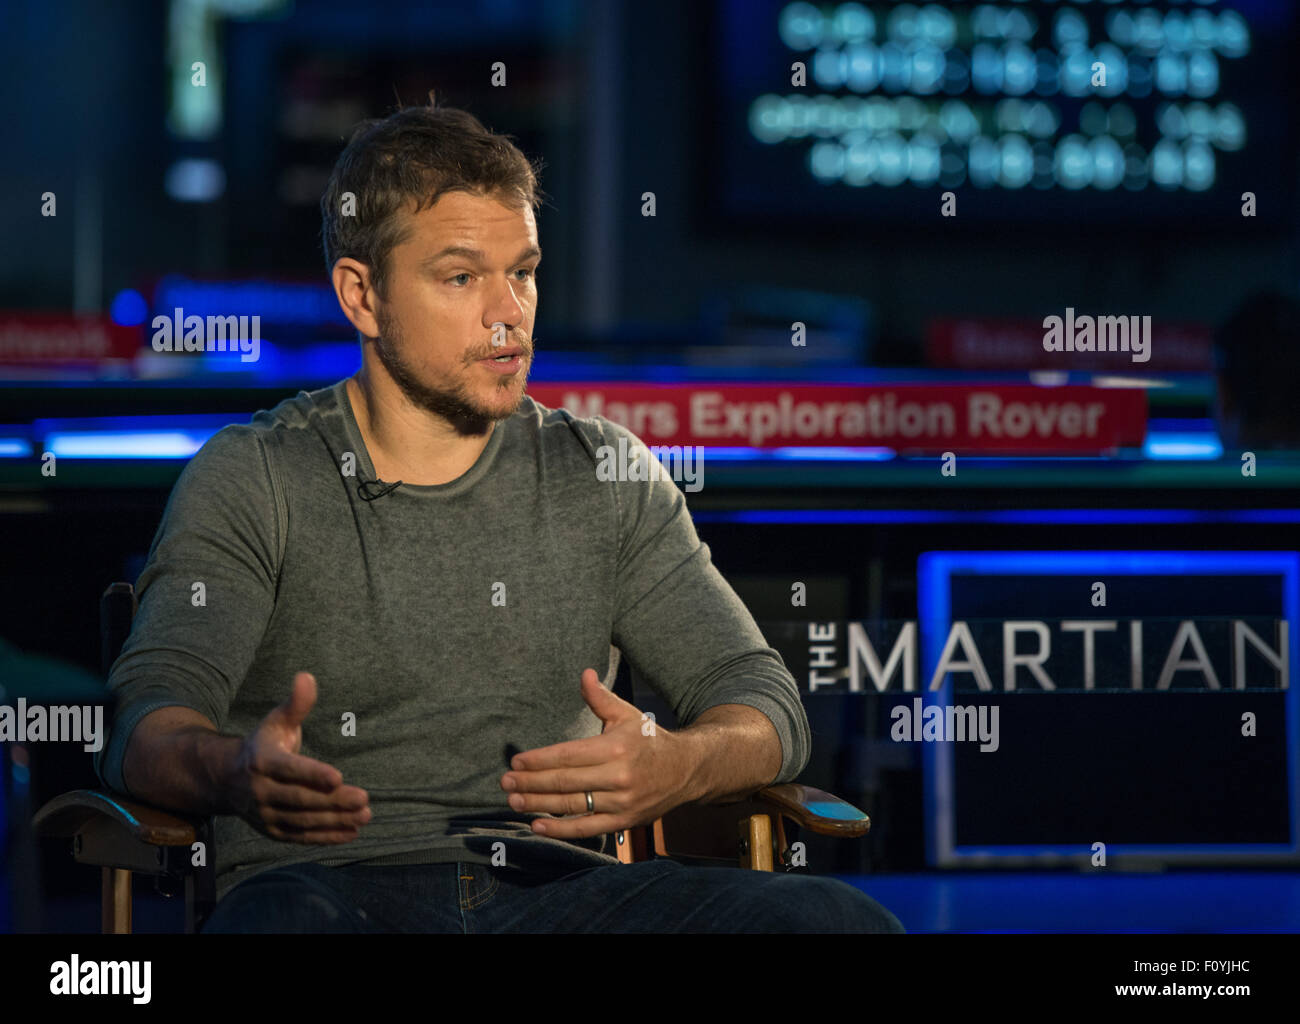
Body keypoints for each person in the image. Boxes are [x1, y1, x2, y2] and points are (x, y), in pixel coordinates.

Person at [94, 99, 904, 934]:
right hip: (330, 890)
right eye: (461, 277)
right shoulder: (255, 475)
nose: (508, 312)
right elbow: (145, 730)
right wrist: (233, 773)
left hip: (562, 897)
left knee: (834, 921)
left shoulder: (604, 472)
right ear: (362, 296)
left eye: (522, 270)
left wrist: (679, 763)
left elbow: (766, 704)